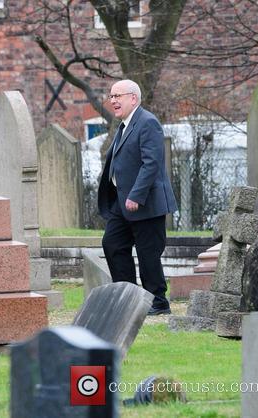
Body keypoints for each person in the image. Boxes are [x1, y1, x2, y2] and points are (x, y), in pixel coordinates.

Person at [98, 79, 177, 315]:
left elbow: (151, 164)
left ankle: (158, 302)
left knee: (147, 253)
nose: (113, 101)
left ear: (133, 98)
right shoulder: (124, 125)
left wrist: (136, 195)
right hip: (122, 204)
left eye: (117, 96)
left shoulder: (147, 123)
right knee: (112, 243)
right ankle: (128, 298)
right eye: (111, 96)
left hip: (145, 203)